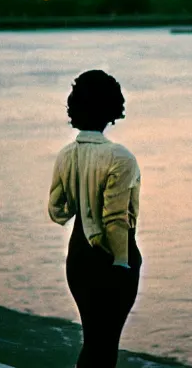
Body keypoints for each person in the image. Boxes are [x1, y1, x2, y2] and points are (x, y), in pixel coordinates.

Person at [48, 69, 142, 368]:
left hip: (78, 257)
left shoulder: (66, 156)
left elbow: (57, 210)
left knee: (93, 341)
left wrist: (82, 193)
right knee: (106, 345)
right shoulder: (120, 157)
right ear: (111, 109)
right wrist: (122, 264)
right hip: (113, 259)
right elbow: (115, 219)